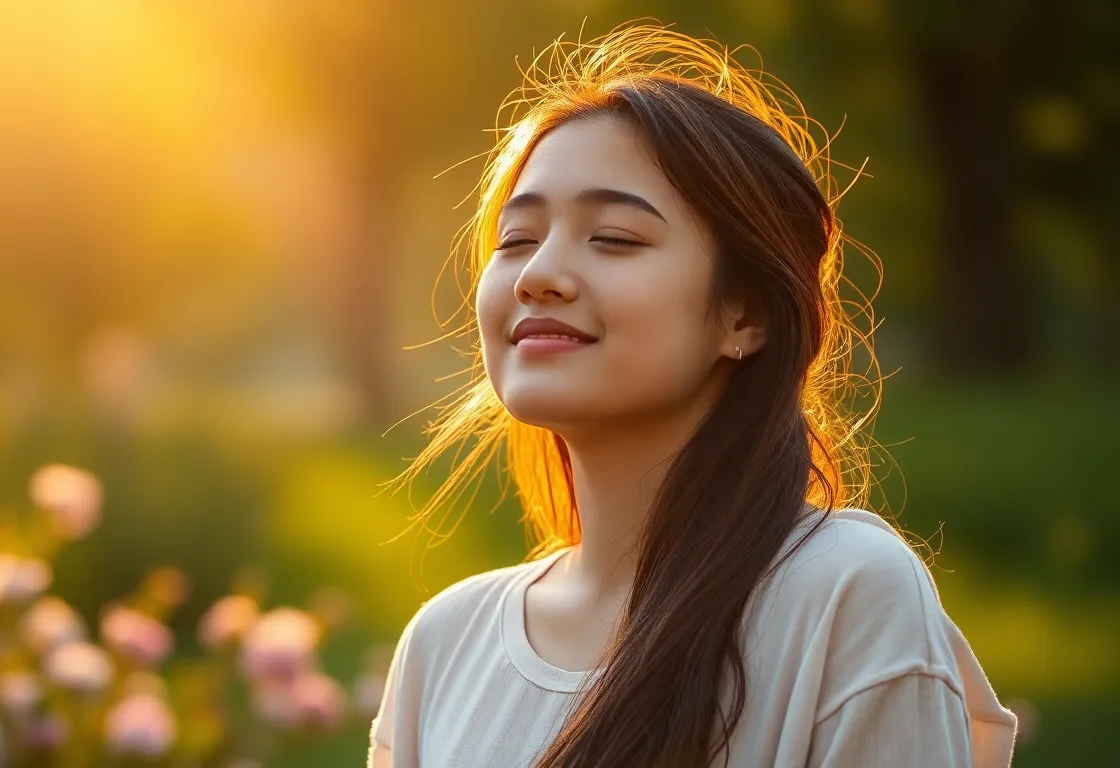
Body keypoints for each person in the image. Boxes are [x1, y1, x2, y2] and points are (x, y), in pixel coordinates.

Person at [367, 22, 1017, 768]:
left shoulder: (844, 592)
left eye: (612, 238)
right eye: (517, 239)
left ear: (745, 315)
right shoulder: (444, 643)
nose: (537, 274)